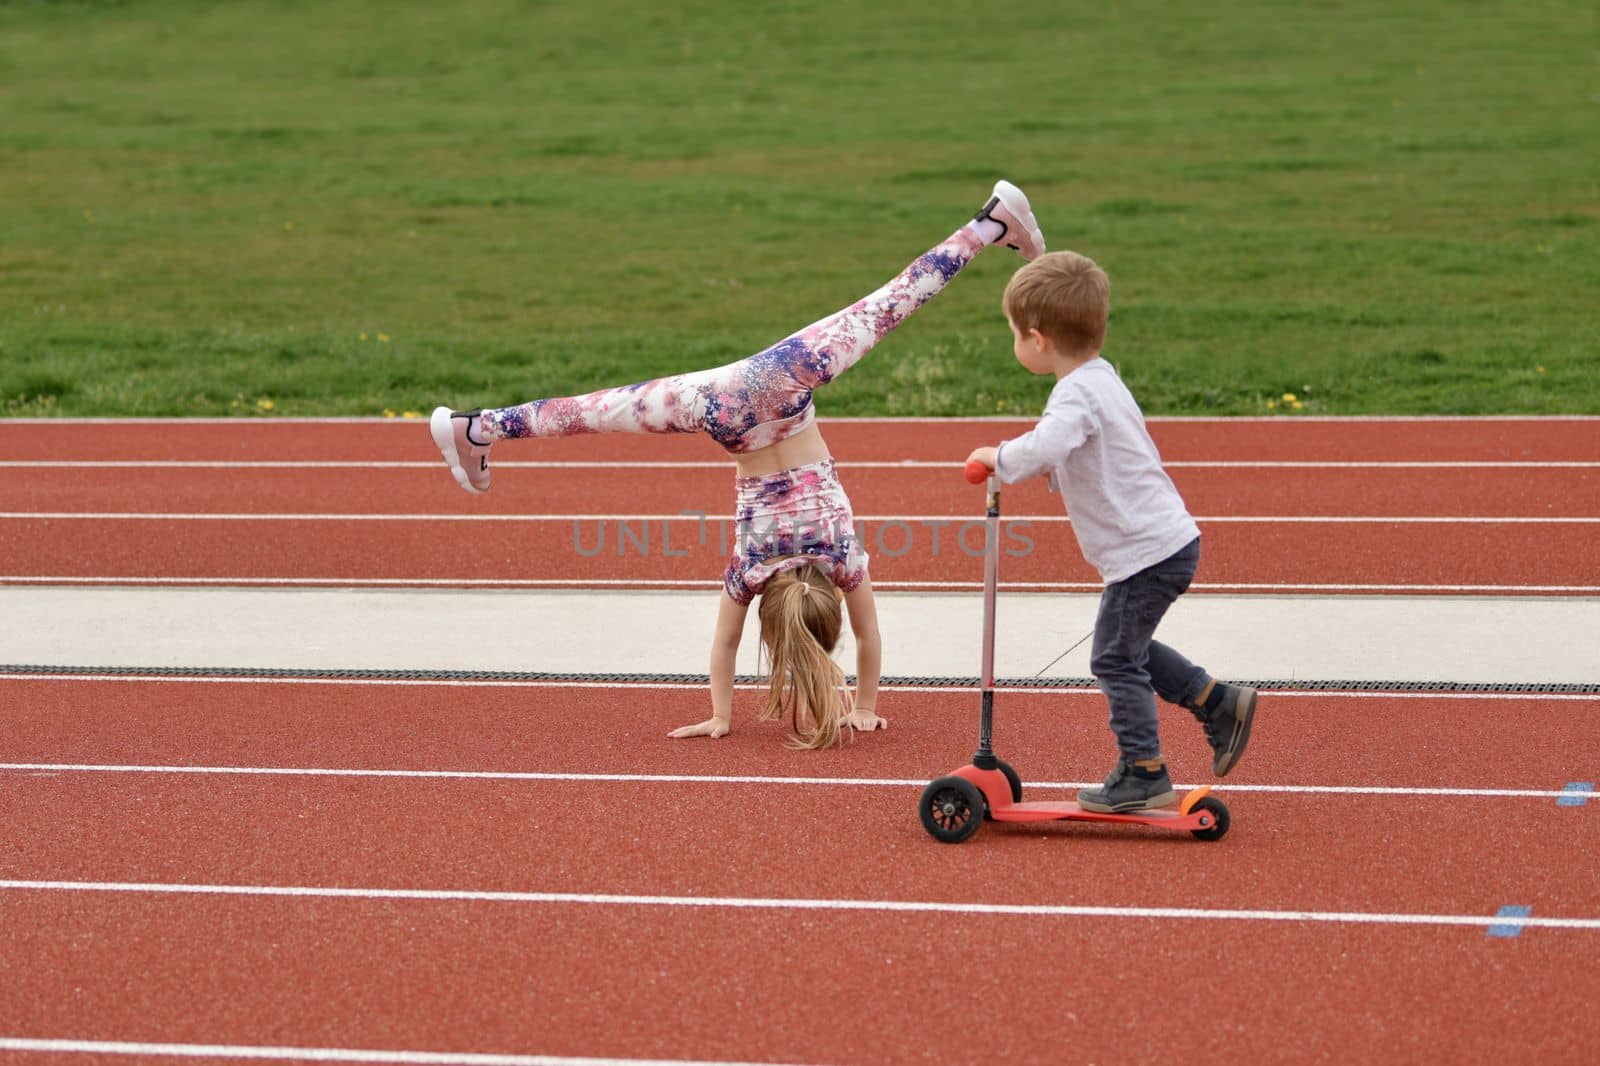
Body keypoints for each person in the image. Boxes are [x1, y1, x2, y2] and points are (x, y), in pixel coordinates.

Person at [430, 181, 1046, 748]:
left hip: (780, 383)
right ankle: (475, 428)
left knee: (887, 305)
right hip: (721, 411)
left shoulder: (842, 558)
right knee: (598, 411)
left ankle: (991, 223)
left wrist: (863, 705)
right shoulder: (750, 571)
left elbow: (868, 639)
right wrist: (722, 715)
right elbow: (725, 643)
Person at [965, 250, 1257, 810]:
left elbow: (1049, 445)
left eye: (1012, 333)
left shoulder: (1074, 394)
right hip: (1164, 543)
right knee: (1130, 647)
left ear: (1036, 339)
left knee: (1113, 658)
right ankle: (1215, 700)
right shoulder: (1100, 378)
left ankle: (1144, 770)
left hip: (1144, 552)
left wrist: (996, 456)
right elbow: (1082, 448)